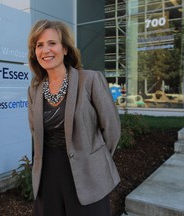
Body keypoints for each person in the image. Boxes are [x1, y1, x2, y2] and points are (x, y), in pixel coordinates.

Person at [27, 19, 121, 216]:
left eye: (52, 43)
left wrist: (94, 159)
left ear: (65, 49)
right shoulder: (34, 90)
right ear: (35, 52)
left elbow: (111, 128)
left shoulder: (90, 80)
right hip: (48, 175)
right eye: (40, 45)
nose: (46, 50)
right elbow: (35, 133)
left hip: (87, 175)